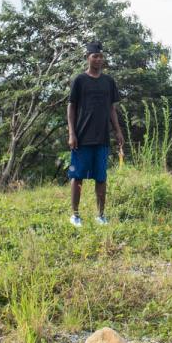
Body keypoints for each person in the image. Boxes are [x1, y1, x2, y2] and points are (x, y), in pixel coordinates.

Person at [67, 41, 125, 227]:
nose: (98, 59)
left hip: (102, 139)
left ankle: (101, 215)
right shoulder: (79, 80)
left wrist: (118, 131)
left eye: (101, 56)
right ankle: (75, 215)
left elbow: (111, 109)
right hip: (81, 138)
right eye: (95, 56)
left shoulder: (108, 82)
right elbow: (71, 106)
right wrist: (72, 133)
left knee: (101, 178)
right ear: (88, 58)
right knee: (78, 177)